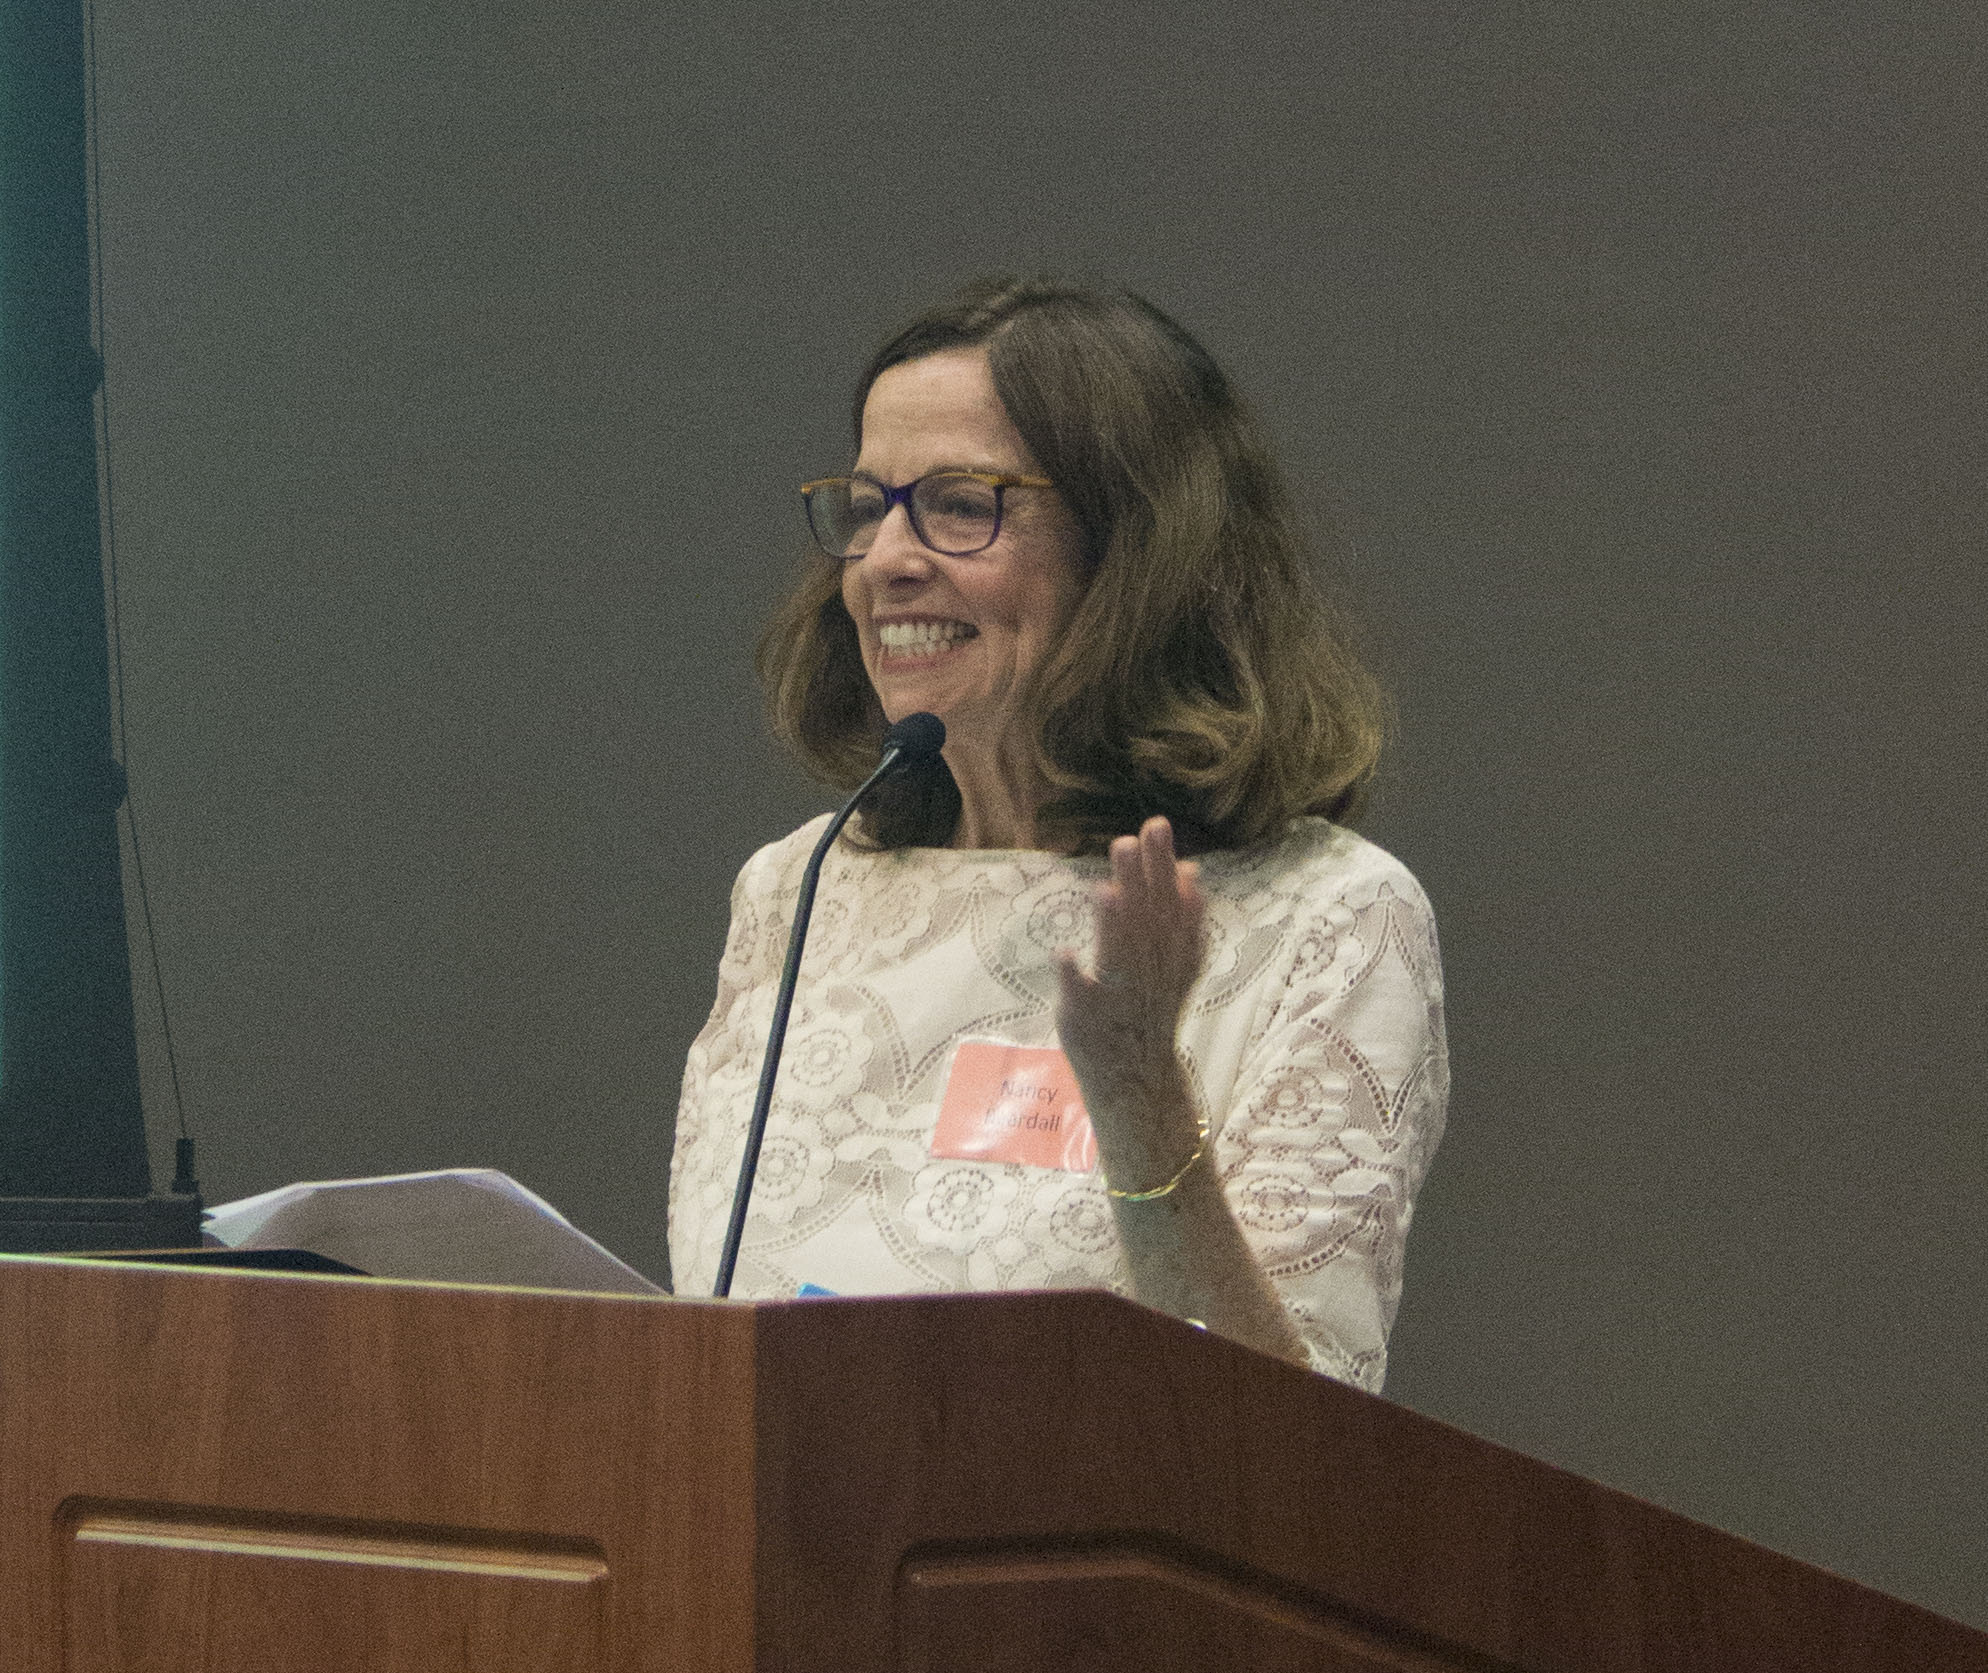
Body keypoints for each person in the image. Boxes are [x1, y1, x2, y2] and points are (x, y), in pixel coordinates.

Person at [669, 276, 1447, 1390]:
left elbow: (1300, 1453)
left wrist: (1136, 1090)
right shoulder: (796, 888)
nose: (885, 558)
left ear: (1131, 547)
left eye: (956, 502)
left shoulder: (1328, 915)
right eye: (868, 502)